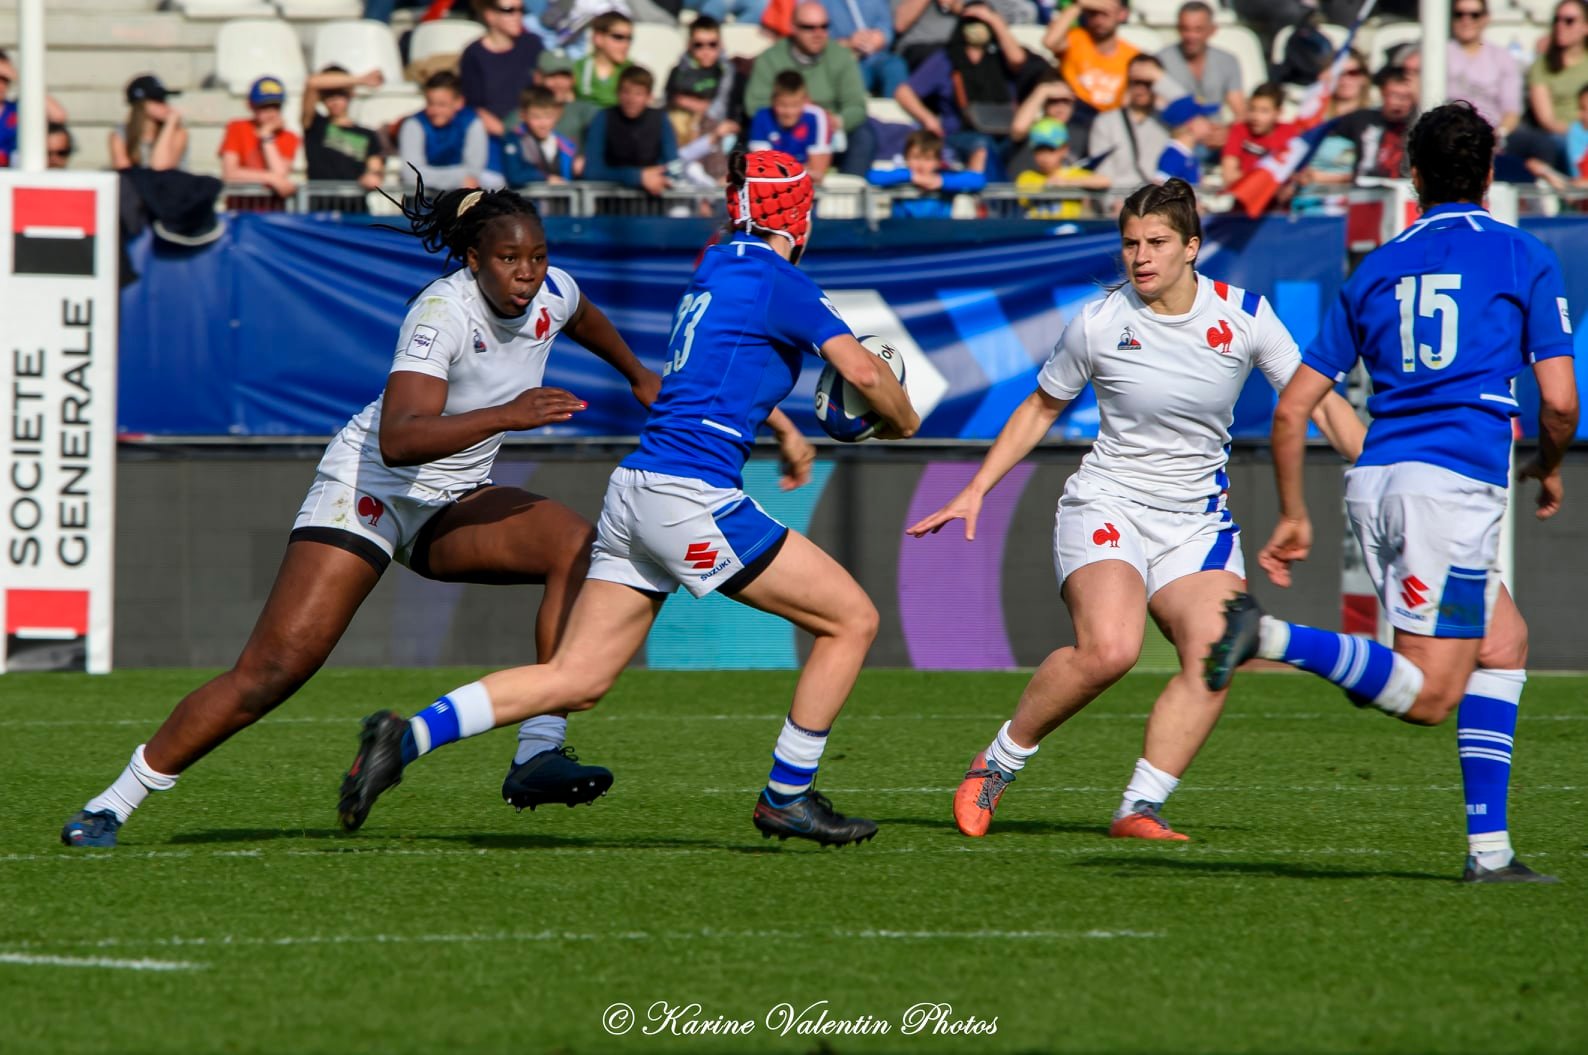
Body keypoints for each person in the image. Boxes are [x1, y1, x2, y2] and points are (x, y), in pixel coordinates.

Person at [335, 150, 920, 846]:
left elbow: (714, 373)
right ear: (799, 213)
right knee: (851, 619)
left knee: (576, 678)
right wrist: (904, 417)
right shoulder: (777, 277)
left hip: (636, 489)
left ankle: (404, 739)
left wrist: (787, 428)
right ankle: (786, 796)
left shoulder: (717, 267)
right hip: (690, 495)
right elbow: (859, 367)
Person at [62, 183, 663, 849]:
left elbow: (580, 313)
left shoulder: (550, 291)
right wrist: (509, 414)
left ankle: (537, 752)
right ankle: (113, 802)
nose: (527, 272)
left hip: (452, 499)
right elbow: (400, 439)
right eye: (508, 258)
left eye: (538, 256)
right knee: (271, 672)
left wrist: (637, 372)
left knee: (579, 548)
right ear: (471, 259)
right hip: (370, 489)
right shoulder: (440, 312)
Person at [910, 178, 1363, 843]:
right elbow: (1041, 405)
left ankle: (1139, 806)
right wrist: (979, 485)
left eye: (1155, 243)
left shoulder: (1245, 315)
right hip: (1109, 503)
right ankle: (998, 763)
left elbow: (1318, 399)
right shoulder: (1099, 321)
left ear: (1192, 247)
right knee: (1111, 649)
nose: (1140, 256)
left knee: (1217, 650)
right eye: (1129, 243)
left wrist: (1381, 470)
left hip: (1197, 522)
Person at [1204, 102, 1579, 884]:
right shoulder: (1521, 254)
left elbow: (1294, 407)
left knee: (1503, 643)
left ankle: (1490, 851)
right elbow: (1562, 401)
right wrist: (1548, 466)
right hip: (1446, 490)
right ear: (1490, 171)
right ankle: (1270, 639)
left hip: (1378, 478)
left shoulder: (1375, 265)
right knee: (1430, 694)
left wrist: (1297, 513)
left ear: (1412, 177)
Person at [893, 6, 1030, 177]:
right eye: (972, 22)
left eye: (983, 23)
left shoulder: (1000, 56)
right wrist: (929, 119)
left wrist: (994, 19)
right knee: (982, 146)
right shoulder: (946, 59)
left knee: (1030, 145)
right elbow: (903, 92)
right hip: (961, 133)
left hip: (1003, 130)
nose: (978, 27)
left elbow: (1019, 59)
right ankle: (991, 201)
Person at [743, 3, 874, 175]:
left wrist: (836, 121)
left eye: (824, 26)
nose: (818, 34)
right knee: (750, 131)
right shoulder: (770, 59)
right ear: (793, 27)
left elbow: (856, 105)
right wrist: (793, 110)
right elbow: (754, 104)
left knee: (864, 135)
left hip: (830, 129)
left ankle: (848, 194)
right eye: (809, 27)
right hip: (782, 129)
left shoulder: (841, 57)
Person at [1046, 0, 1139, 147]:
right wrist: (1079, 6)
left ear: (1122, 14)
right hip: (1073, 120)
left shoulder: (1132, 56)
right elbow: (1049, 42)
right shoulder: (1075, 39)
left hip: (1110, 124)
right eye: (1093, 13)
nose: (1098, 20)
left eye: (1105, 14)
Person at [582, 66, 678, 195]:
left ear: (649, 97)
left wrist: (662, 179)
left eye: (638, 93)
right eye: (626, 92)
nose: (631, 100)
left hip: (653, 204)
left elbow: (674, 166)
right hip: (609, 205)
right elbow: (591, 171)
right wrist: (637, 177)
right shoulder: (603, 118)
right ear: (617, 93)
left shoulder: (660, 119)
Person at [400, 71, 502, 191]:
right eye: (430, 103)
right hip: (424, 202)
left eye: (441, 104)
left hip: (461, 199)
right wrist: (459, 178)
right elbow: (411, 174)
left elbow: (473, 172)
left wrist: (430, 176)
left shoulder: (472, 123)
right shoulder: (414, 124)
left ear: (459, 102)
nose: (434, 110)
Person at [1086, 54, 1173, 192]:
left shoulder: (1170, 120)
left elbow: (1200, 123)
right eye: (1136, 82)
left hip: (1162, 201)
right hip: (1121, 202)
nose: (1141, 89)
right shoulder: (1105, 122)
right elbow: (1103, 173)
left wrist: (1162, 80)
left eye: (1148, 83)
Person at [461, 0, 544, 141]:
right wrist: (506, 134)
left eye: (521, 10)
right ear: (490, 15)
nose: (518, 16)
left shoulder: (532, 44)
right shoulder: (473, 54)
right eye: (509, 10)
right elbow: (473, 107)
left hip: (532, 128)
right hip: (492, 134)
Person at [1155, 1, 1244, 126]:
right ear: (1178, 28)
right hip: (1176, 133)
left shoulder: (1227, 61)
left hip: (1216, 134)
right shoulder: (1161, 60)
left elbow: (1239, 110)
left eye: (1198, 29)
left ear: (1212, 30)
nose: (1191, 36)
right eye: (1185, 29)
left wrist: (1226, 134)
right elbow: (1159, 107)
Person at [301, 65, 387, 189]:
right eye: (329, 95)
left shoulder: (367, 134)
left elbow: (375, 167)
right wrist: (360, 80)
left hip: (354, 205)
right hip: (320, 205)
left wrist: (373, 177)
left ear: (351, 94)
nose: (335, 100)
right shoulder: (314, 124)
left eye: (341, 93)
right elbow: (312, 83)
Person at [868, 128, 988, 216]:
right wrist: (911, 176)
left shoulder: (944, 176)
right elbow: (872, 177)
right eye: (915, 157)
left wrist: (941, 182)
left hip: (937, 236)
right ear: (906, 158)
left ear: (938, 161)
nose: (921, 164)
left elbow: (978, 180)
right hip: (902, 236)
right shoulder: (901, 176)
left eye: (927, 159)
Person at [1447, 0, 1521, 140]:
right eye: (1459, 14)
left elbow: (1511, 110)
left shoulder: (1502, 57)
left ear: (1486, 18)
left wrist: (1498, 135)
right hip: (1447, 133)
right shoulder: (1437, 54)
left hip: (1491, 134)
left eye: (1474, 15)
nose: (1466, 20)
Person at [1333, 66, 1417, 182]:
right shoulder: (1361, 119)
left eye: (1405, 97)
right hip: (1365, 191)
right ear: (1383, 92)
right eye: (1394, 95)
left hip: (1403, 190)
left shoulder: (1417, 125)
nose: (1399, 102)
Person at [220, 77, 300, 198]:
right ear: (251, 106)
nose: (271, 113)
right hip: (240, 211)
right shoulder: (236, 128)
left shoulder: (289, 137)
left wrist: (267, 136)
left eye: (276, 107)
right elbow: (229, 173)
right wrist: (270, 178)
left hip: (273, 213)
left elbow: (280, 174)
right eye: (264, 107)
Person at [749, 71, 835, 179]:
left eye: (795, 104)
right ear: (773, 101)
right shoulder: (762, 117)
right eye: (782, 105)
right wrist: (801, 169)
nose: (789, 113)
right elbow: (762, 171)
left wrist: (779, 170)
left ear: (805, 100)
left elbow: (817, 173)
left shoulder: (817, 117)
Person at [1014, 118, 1108, 217]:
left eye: (1051, 149)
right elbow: (1024, 196)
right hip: (1037, 230)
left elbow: (1104, 181)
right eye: (1039, 150)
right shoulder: (1026, 177)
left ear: (1064, 149)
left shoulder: (1072, 174)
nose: (1044, 156)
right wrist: (1050, 184)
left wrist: (1067, 183)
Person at [826, 0, 908, 98]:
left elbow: (886, 25)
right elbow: (819, 42)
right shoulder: (823, 3)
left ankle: (894, 111)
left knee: (895, 66)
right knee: (856, 75)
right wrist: (849, 43)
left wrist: (881, 37)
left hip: (877, 55)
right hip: (846, 58)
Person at [1220, 82, 1294, 188]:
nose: (1256, 117)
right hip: (1244, 192)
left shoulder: (1290, 134)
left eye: (1264, 111)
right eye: (1253, 109)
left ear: (1278, 112)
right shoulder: (1239, 130)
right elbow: (1228, 175)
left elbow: (1292, 175)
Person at [110, 74, 189, 172]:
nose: (164, 104)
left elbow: (161, 167)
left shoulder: (178, 132)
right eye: (157, 99)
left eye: (164, 99)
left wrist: (170, 124)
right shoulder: (121, 133)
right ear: (140, 104)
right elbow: (124, 171)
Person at [502, 85, 579, 184]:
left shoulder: (566, 145)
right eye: (536, 117)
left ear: (557, 115)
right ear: (523, 116)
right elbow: (515, 175)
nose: (543, 124)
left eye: (548, 116)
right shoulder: (514, 140)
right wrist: (546, 178)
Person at [1153, 94, 1218, 185]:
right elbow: (1160, 191)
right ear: (1191, 124)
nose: (1210, 124)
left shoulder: (1188, 154)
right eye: (1205, 118)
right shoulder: (1172, 156)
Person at [573, 12, 633, 109]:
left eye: (629, 39)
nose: (626, 44)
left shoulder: (632, 72)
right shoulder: (578, 68)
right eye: (618, 37)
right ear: (598, 38)